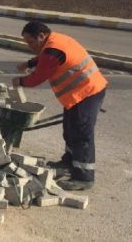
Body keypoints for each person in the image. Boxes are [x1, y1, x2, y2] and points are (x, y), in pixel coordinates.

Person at [12, 21, 107, 191]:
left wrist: (19, 81)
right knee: (69, 129)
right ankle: (68, 163)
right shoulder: (54, 41)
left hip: (87, 92)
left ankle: (84, 177)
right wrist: (29, 63)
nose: (29, 46)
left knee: (81, 134)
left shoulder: (53, 50)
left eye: (31, 42)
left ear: (41, 36)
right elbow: (43, 56)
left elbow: (37, 77)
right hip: (78, 94)